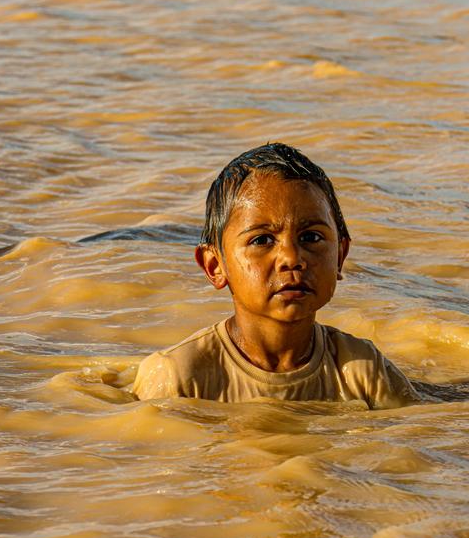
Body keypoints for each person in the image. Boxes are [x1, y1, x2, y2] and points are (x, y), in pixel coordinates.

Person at [131, 143, 417, 408]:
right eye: (262, 240)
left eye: (311, 237)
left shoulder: (362, 369)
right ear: (215, 266)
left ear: (340, 256)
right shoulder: (178, 377)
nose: (292, 258)